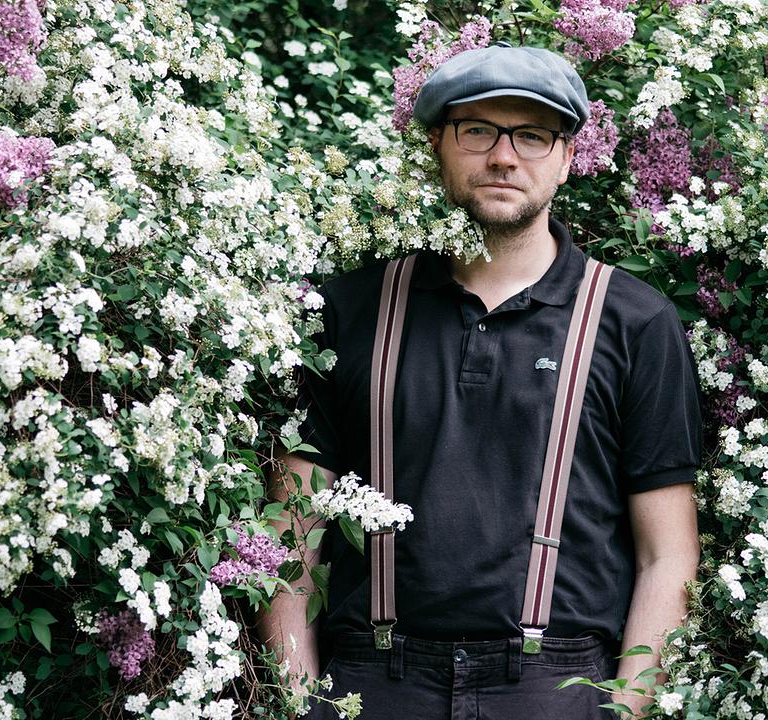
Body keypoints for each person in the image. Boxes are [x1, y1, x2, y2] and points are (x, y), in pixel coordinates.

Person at [259, 43, 702, 719]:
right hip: (373, 683)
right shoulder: (347, 311)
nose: (504, 156)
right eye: (478, 131)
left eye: (531, 135)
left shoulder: (633, 323)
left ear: (566, 157)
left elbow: (666, 556)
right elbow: (291, 534)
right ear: (437, 142)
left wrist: (626, 709)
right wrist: (297, 706)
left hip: (555, 688)